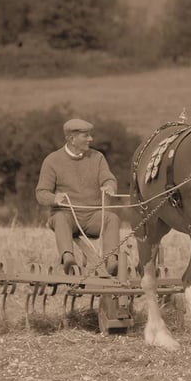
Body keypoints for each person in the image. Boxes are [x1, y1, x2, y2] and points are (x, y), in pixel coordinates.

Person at [36, 118, 121, 275]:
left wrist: (110, 186)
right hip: (67, 217)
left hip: (93, 217)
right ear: (71, 139)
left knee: (112, 218)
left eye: (90, 135)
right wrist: (54, 198)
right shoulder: (52, 161)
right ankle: (68, 258)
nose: (91, 139)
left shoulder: (98, 158)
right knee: (61, 218)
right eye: (86, 136)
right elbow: (41, 193)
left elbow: (108, 178)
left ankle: (112, 261)